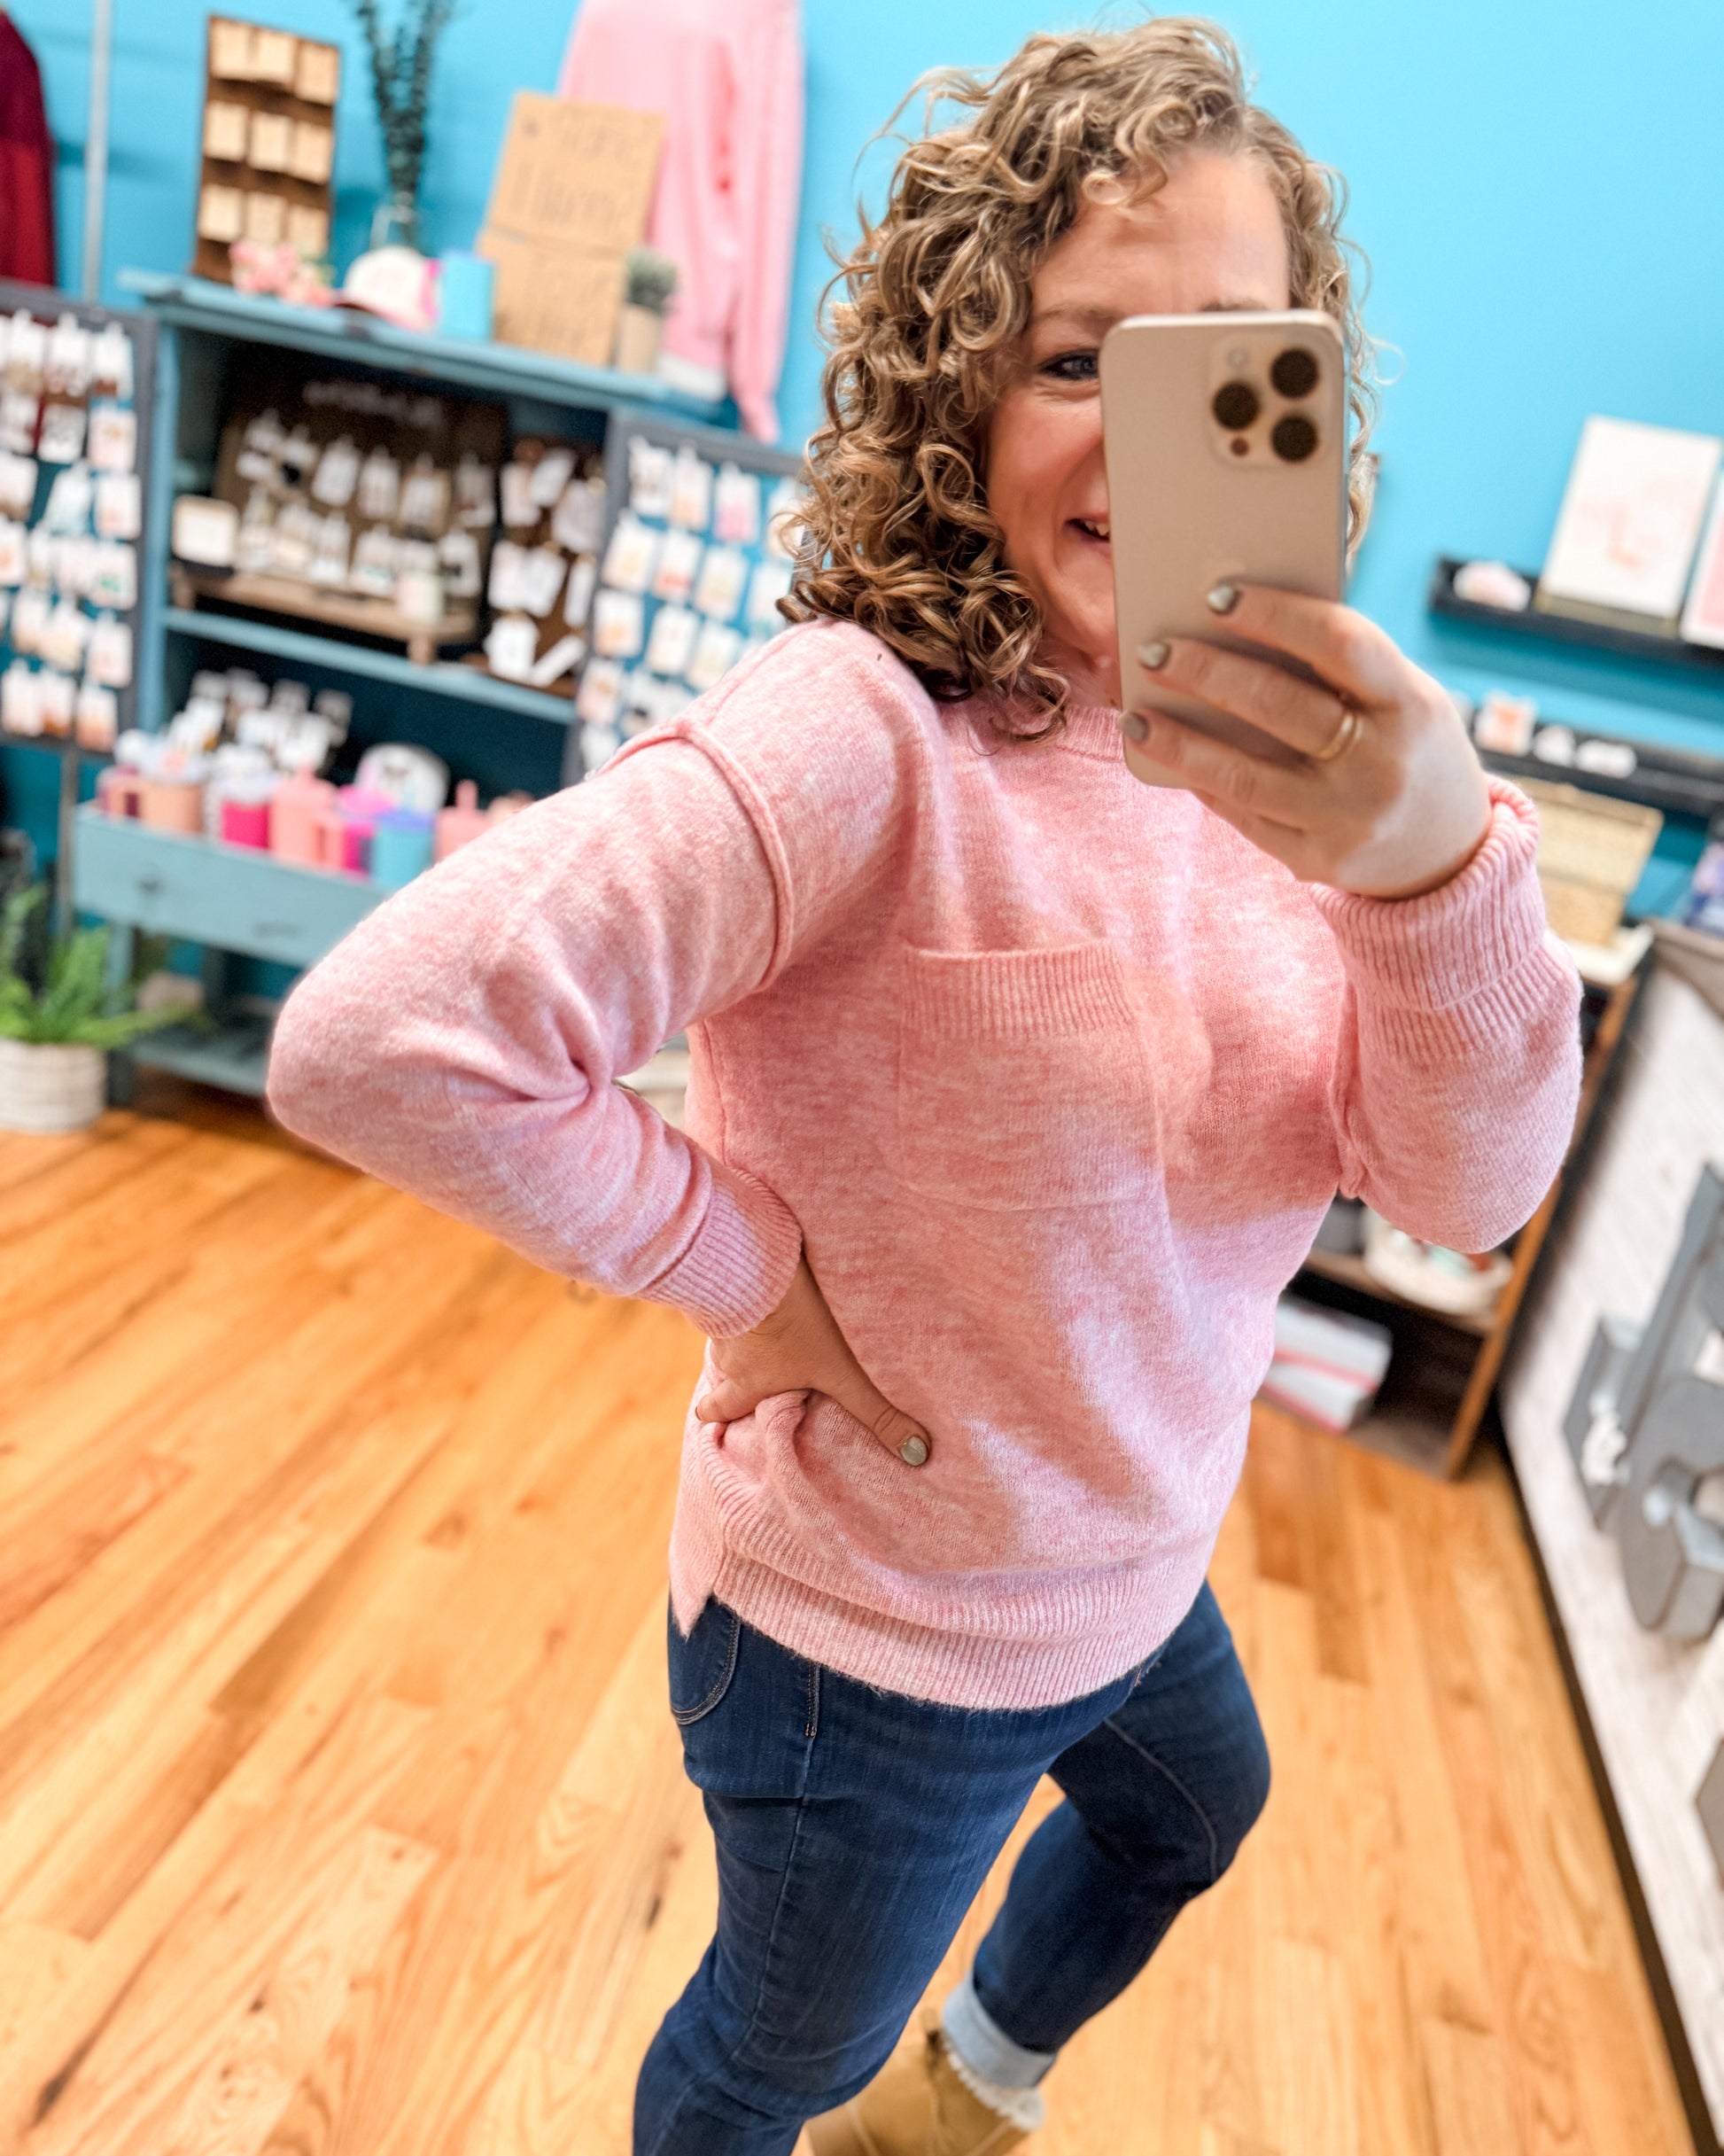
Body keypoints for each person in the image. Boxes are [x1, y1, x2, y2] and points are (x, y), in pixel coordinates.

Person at [267, 19, 1581, 2155]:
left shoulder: (1323, 788)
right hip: (873, 1645)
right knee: (769, 2060)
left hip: (1132, 1570)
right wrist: (737, 1263)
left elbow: (1464, 1187)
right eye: (1081, 359)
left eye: (1226, 365)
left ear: (1305, 398)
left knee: (1195, 1815)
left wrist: (1433, 866)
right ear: (954, 381)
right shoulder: (863, 738)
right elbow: (383, 1038)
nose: (1153, 440)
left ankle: (965, 2093)